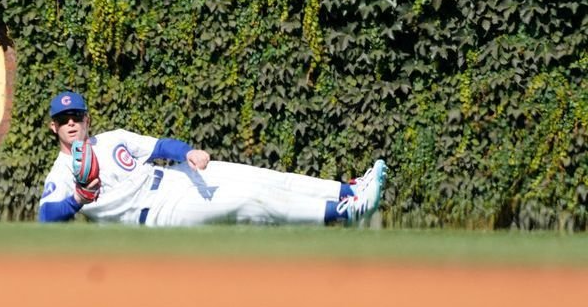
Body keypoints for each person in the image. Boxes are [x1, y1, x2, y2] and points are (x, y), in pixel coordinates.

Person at [38, 91, 387, 226]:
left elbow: (160, 147)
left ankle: (349, 190)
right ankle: (345, 213)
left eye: (76, 116)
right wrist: (77, 200)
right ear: (54, 127)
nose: (72, 123)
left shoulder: (112, 138)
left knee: (260, 176)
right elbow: (46, 216)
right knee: (249, 200)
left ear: (87, 119)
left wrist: (188, 152)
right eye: (64, 120)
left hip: (174, 179)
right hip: (158, 212)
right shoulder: (61, 171)